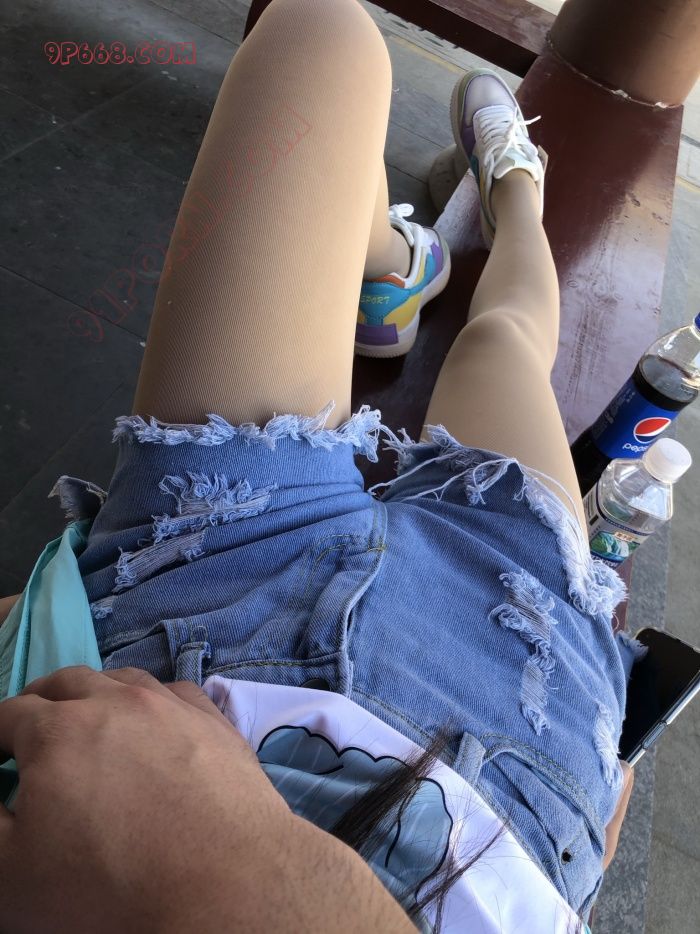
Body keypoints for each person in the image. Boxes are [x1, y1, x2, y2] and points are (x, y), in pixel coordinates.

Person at [0, 1, 640, 930]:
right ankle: (510, 199)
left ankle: (402, 263)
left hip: (192, 642)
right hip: (520, 738)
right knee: (502, 342)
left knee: (321, 44)